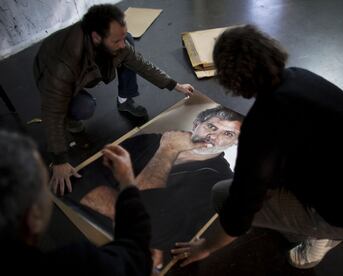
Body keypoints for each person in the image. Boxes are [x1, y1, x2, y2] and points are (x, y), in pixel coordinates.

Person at [171, 25, 343, 269]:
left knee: (222, 195)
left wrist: (206, 248)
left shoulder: (261, 126)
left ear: (231, 80)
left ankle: (323, 236)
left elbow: (239, 212)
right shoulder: (300, 75)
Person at [33, 4, 195, 196]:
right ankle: (72, 121)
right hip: (56, 76)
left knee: (127, 47)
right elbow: (52, 111)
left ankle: (124, 99)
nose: (122, 44)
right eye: (116, 40)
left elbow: (140, 64)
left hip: (84, 65)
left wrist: (174, 85)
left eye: (121, 37)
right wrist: (59, 160)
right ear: (96, 37)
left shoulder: (114, 43)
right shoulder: (62, 66)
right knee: (84, 107)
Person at [66, 105, 242, 267]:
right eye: (211, 127)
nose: (213, 137)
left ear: (235, 142)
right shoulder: (151, 140)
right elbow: (82, 182)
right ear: (196, 123)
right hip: (71, 223)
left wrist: (168, 151)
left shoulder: (220, 181)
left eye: (228, 134)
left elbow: (158, 233)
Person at [0, 130, 153, 275]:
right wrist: (127, 182)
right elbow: (134, 256)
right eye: (44, 183)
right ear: (33, 216)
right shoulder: (77, 265)